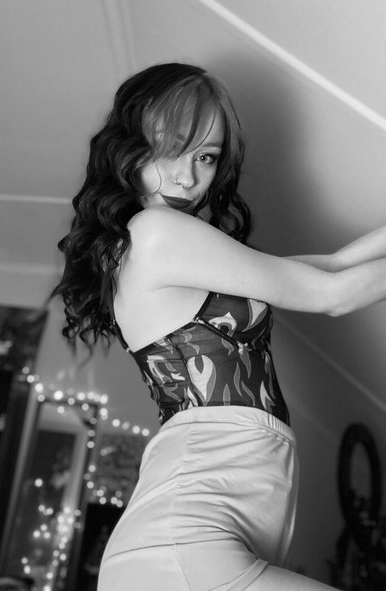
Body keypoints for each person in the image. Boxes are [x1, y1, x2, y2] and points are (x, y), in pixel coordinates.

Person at [53, 63, 386, 590]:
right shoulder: (155, 233)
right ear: (127, 149)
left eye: (205, 157)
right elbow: (333, 295)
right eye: (170, 148)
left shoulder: (164, 247)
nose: (187, 177)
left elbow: (331, 268)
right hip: (185, 543)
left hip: (198, 538)